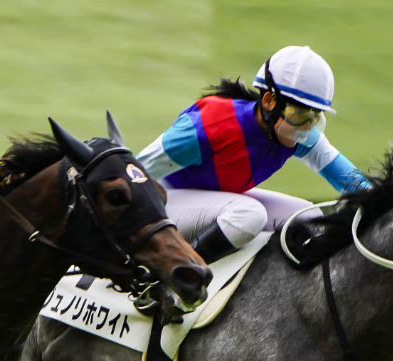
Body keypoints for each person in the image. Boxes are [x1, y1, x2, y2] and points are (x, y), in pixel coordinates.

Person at [136, 46, 370, 263]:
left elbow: (355, 184)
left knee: (306, 217)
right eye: (298, 114)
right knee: (249, 215)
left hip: (213, 205)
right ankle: (177, 276)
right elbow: (132, 174)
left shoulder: (298, 133)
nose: (307, 127)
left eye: (314, 116)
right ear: (269, 101)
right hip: (162, 204)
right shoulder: (208, 125)